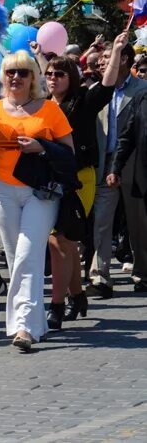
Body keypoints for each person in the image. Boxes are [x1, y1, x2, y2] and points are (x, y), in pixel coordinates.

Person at [0, 52, 74, 351]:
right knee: (18, 261)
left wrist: (41, 147)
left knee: (27, 256)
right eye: (10, 72)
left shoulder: (50, 110)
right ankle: (36, 323)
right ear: (2, 76)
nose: (16, 77)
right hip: (4, 192)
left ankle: (23, 327)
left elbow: (69, 153)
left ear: (32, 78)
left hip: (40, 192)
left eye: (23, 73)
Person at [45, 50, 117, 327]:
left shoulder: (83, 101)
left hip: (80, 179)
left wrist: (118, 52)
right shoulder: (42, 104)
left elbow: (108, 85)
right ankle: (77, 296)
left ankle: (58, 304)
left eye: (60, 74)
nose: (53, 78)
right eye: (49, 74)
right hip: (50, 180)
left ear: (71, 78)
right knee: (64, 242)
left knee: (61, 240)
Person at [89, 32, 147, 298]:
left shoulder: (142, 90)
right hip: (104, 163)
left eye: (109, 57)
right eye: (101, 58)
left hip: (134, 165)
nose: (103, 62)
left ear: (124, 59)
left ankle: (142, 272)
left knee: (137, 222)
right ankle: (100, 276)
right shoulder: (98, 90)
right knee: (102, 221)